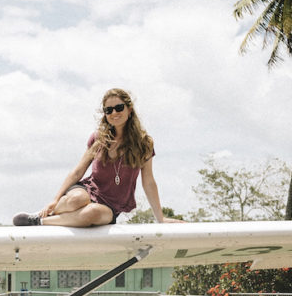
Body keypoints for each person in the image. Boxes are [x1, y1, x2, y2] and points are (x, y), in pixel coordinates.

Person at [13, 88, 181, 227]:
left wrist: (161, 218)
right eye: (108, 110)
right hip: (87, 190)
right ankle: (47, 213)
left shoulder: (144, 143)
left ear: (129, 110)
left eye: (119, 108)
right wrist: (54, 200)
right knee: (77, 199)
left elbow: (149, 182)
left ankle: (40, 222)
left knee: (91, 213)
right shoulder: (99, 138)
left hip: (110, 206)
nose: (114, 113)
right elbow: (78, 171)